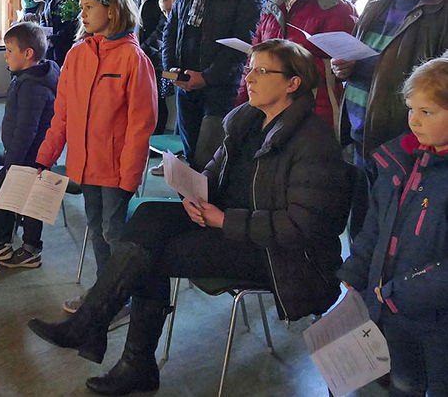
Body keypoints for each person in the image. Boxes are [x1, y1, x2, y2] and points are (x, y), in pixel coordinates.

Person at [28, 39, 352, 396]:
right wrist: (194, 192)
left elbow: (300, 227)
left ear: (293, 83)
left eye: (262, 71)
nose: (251, 78)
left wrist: (222, 221)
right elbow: (213, 175)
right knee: (150, 214)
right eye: (249, 69)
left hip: (279, 255)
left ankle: (111, 343)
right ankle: (105, 336)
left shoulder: (313, 140)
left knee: (152, 258)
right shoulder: (246, 121)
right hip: (229, 224)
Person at [35, 0, 158, 312]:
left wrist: (130, 176)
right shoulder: (77, 55)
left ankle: (124, 296)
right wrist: (44, 158)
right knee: (97, 229)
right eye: (82, 6)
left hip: (116, 169)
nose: (82, 13)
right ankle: (106, 292)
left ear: (112, 10)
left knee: (114, 232)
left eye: (90, 7)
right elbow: (61, 114)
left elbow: (140, 125)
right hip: (85, 165)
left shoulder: (134, 59)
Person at [339, 53, 448, 397]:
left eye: (426, 112)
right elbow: (373, 228)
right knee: (403, 383)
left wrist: (397, 293)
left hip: (436, 322)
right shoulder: (397, 163)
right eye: (411, 109)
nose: (414, 121)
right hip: (391, 313)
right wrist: (355, 274)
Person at [332, 0, 448, 240]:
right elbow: (365, 58)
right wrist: (346, 67)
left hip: (407, 143)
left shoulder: (443, 9)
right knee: (362, 233)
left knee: (394, 237)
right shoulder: (378, 1)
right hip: (361, 137)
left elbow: (439, 86)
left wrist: (368, 70)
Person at [163, 0, 265, 166]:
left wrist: (207, 77)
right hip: (185, 82)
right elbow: (172, 27)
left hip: (220, 88)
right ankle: (188, 205)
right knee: (189, 157)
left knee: (210, 160)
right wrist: (171, 69)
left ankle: (206, 206)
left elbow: (244, 40)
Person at [238, 0, 357, 131]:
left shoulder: (337, 8)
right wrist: (243, 99)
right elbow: (254, 56)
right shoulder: (275, 3)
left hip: (313, 108)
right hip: (268, 105)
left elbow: (343, 67)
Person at [0, 22, 60, 269]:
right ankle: (12, 243)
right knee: (19, 199)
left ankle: (10, 243)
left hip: (29, 157)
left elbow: (26, 130)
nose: (5, 56)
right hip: (25, 156)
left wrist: (12, 162)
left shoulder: (32, 86)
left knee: (2, 194)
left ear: (28, 53)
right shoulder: (26, 78)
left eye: (9, 51)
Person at [142, 0, 178, 138]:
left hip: (169, 68)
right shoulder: (165, 21)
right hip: (160, 66)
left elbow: (156, 42)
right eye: (164, 11)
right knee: (157, 100)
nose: (167, 14)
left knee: (161, 102)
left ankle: (159, 134)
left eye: (170, 10)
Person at [42, 0, 82, 66]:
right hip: (49, 43)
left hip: (65, 44)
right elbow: (44, 15)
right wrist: (44, 32)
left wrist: (56, 38)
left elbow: (75, 23)